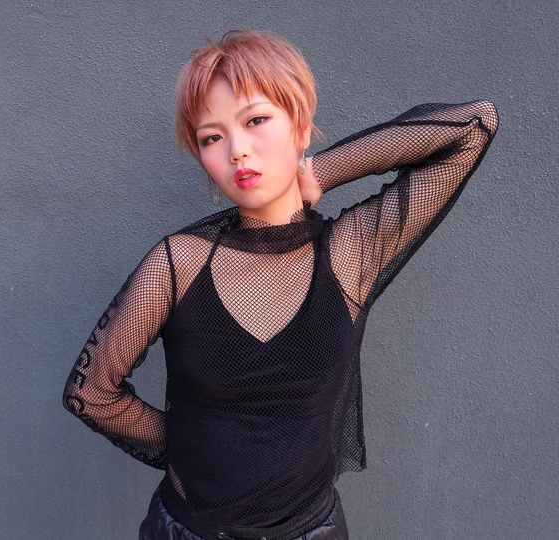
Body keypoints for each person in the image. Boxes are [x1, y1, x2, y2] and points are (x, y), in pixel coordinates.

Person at [63, 29, 498, 540]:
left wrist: (322, 171)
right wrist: (187, 447)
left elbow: (474, 125)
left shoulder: (350, 253)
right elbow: (90, 393)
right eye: (211, 137)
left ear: (301, 125)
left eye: (256, 120)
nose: (238, 151)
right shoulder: (178, 264)